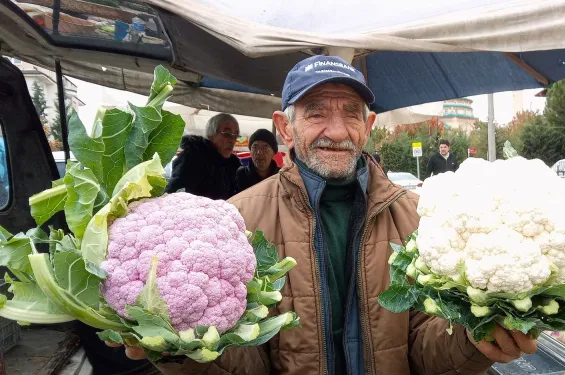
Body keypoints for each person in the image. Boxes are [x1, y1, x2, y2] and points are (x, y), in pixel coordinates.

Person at [115, 56, 537, 374]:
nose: (336, 131)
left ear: (367, 126)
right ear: (285, 127)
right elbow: (245, 362)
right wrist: (179, 347)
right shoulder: (237, 222)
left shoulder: (418, 218)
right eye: (316, 112)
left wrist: (471, 340)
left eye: (351, 113)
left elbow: (423, 351)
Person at [165, 113, 241, 200]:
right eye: (227, 134)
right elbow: (176, 194)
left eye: (236, 135)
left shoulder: (233, 164)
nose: (232, 140)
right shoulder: (193, 158)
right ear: (211, 135)